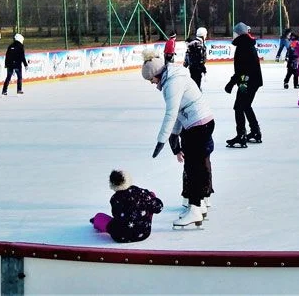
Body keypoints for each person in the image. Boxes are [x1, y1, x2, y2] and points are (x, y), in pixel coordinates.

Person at [143, 49, 215, 229]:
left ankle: (195, 208)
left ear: (156, 74)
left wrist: (161, 140)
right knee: (195, 165)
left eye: (150, 79)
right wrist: (173, 137)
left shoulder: (171, 84)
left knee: (193, 167)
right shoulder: (174, 77)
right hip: (200, 122)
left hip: (197, 125)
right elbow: (178, 115)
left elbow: (171, 113)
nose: (151, 83)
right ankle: (198, 206)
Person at [90, 170, 164, 243]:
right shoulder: (142, 193)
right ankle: (143, 218)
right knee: (151, 196)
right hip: (143, 233)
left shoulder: (114, 199)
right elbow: (159, 207)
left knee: (100, 217)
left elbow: (116, 216)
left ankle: (97, 221)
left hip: (120, 236)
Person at [224, 23, 262, 147]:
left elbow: (242, 69)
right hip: (251, 80)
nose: (233, 35)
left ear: (238, 33)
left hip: (247, 81)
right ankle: (255, 132)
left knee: (239, 107)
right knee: (246, 106)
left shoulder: (243, 45)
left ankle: (241, 135)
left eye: (234, 33)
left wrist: (232, 82)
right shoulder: (246, 43)